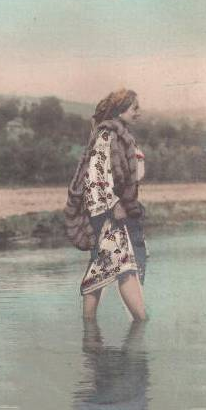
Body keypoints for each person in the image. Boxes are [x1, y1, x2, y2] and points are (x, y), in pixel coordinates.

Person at [64, 88, 148, 323]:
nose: (139, 113)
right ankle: (140, 322)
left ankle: (89, 329)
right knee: (123, 267)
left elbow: (131, 172)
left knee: (104, 268)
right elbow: (96, 177)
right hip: (109, 213)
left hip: (115, 211)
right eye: (135, 108)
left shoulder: (121, 136)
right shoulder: (106, 136)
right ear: (121, 110)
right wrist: (113, 207)